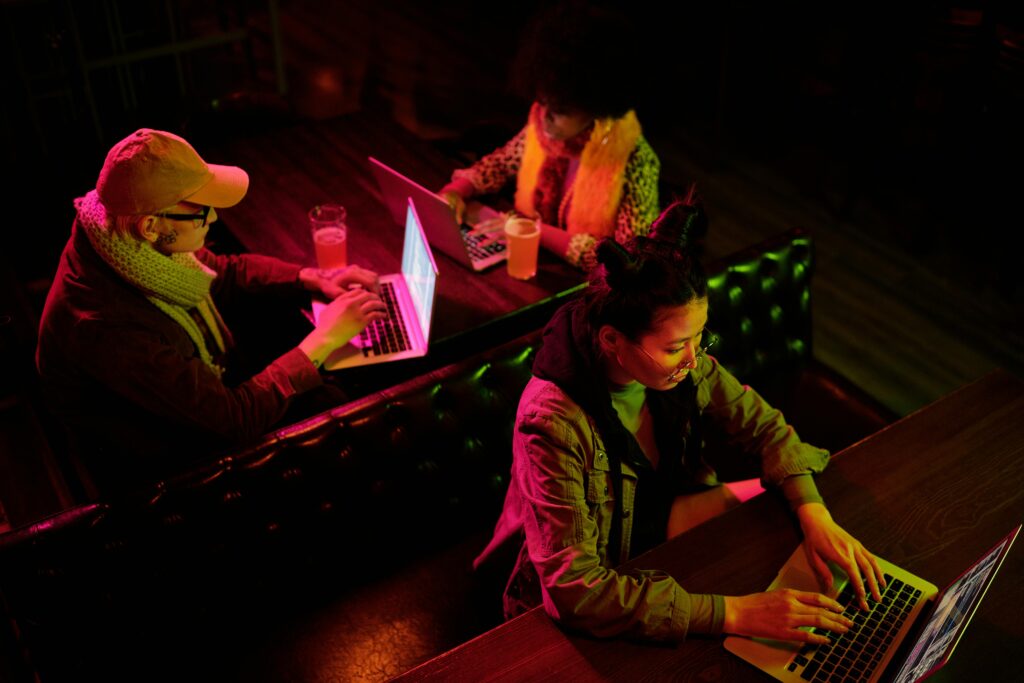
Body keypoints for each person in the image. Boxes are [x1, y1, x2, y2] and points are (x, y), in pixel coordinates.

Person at [473, 200, 886, 643]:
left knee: (802, 526)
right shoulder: (552, 421)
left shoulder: (680, 366)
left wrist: (814, 513)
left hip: (661, 518)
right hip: (601, 565)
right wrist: (733, 614)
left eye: (699, 337)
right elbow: (577, 591)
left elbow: (765, 428)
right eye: (674, 348)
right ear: (612, 340)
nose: (693, 359)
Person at [36, 128, 387, 496]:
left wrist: (311, 278)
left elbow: (223, 272)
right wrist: (324, 338)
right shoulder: (107, 328)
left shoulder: (122, 236)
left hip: (187, 395)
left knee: (316, 361)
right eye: (201, 210)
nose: (214, 217)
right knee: (333, 402)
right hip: (156, 463)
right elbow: (233, 420)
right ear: (151, 226)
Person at [439, 2, 660, 270]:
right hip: (527, 262)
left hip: (581, 288)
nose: (544, 117)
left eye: (559, 111)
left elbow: (630, 260)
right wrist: (455, 192)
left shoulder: (634, 159)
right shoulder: (542, 126)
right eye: (541, 102)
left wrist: (532, 230)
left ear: (595, 108)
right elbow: (497, 166)